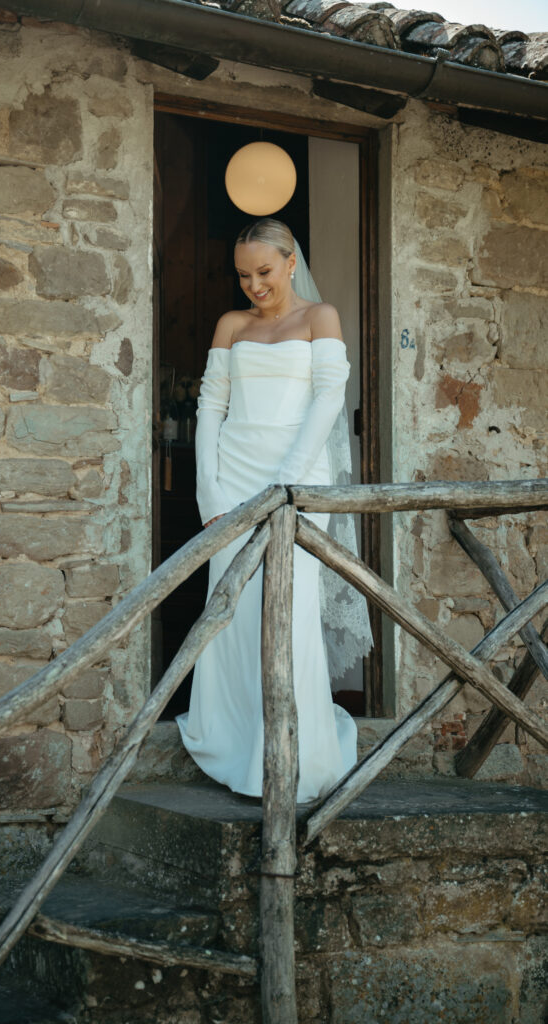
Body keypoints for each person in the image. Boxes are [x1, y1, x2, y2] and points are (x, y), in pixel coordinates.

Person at [176, 218, 372, 803]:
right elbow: (211, 406)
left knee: (286, 612)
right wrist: (207, 490)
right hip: (233, 479)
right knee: (233, 613)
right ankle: (235, 743)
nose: (254, 285)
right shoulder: (231, 325)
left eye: (264, 271)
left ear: (291, 262)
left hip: (295, 475)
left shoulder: (321, 318)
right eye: (243, 275)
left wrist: (287, 480)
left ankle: (294, 753)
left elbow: (327, 398)